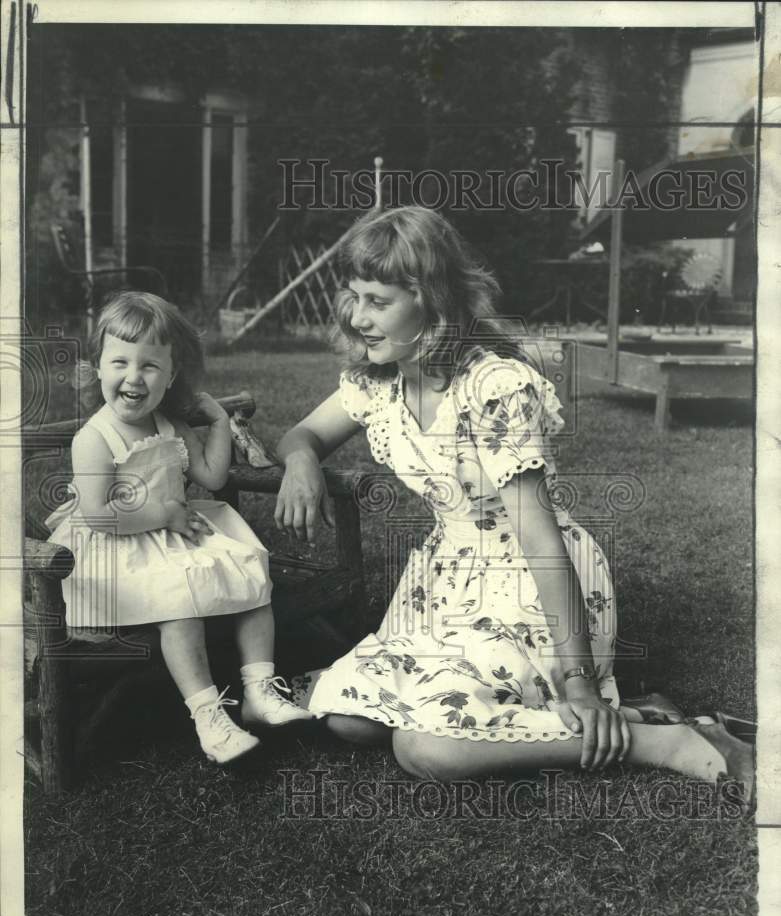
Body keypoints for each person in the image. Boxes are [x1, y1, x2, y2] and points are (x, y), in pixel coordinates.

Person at [273, 206, 753, 806]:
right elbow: (304, 435)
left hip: (526, 581)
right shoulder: (378, 381)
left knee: (425, 750)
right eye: (354, 296)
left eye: (377, 301)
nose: (357, 316)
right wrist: (300, 464)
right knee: (350, 721)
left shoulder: (493, 388)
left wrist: (578, 681)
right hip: (444, 582)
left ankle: (664, 742)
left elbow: (541, 541)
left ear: (431, 302)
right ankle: (638, 713)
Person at [46, 292, 310, 766]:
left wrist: (219, 423)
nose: (133, 376)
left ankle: (259, 687)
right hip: (113, 546)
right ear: (97, 369)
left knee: (251, 572)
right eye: (120, 362)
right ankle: (208, 715)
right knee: (179, 604)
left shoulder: (170, 425)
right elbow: (98, 515)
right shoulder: (94, 438)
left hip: (172, 533)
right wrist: (165, 515)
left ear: (170, 377)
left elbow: (211, 477)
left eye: (150, 366)